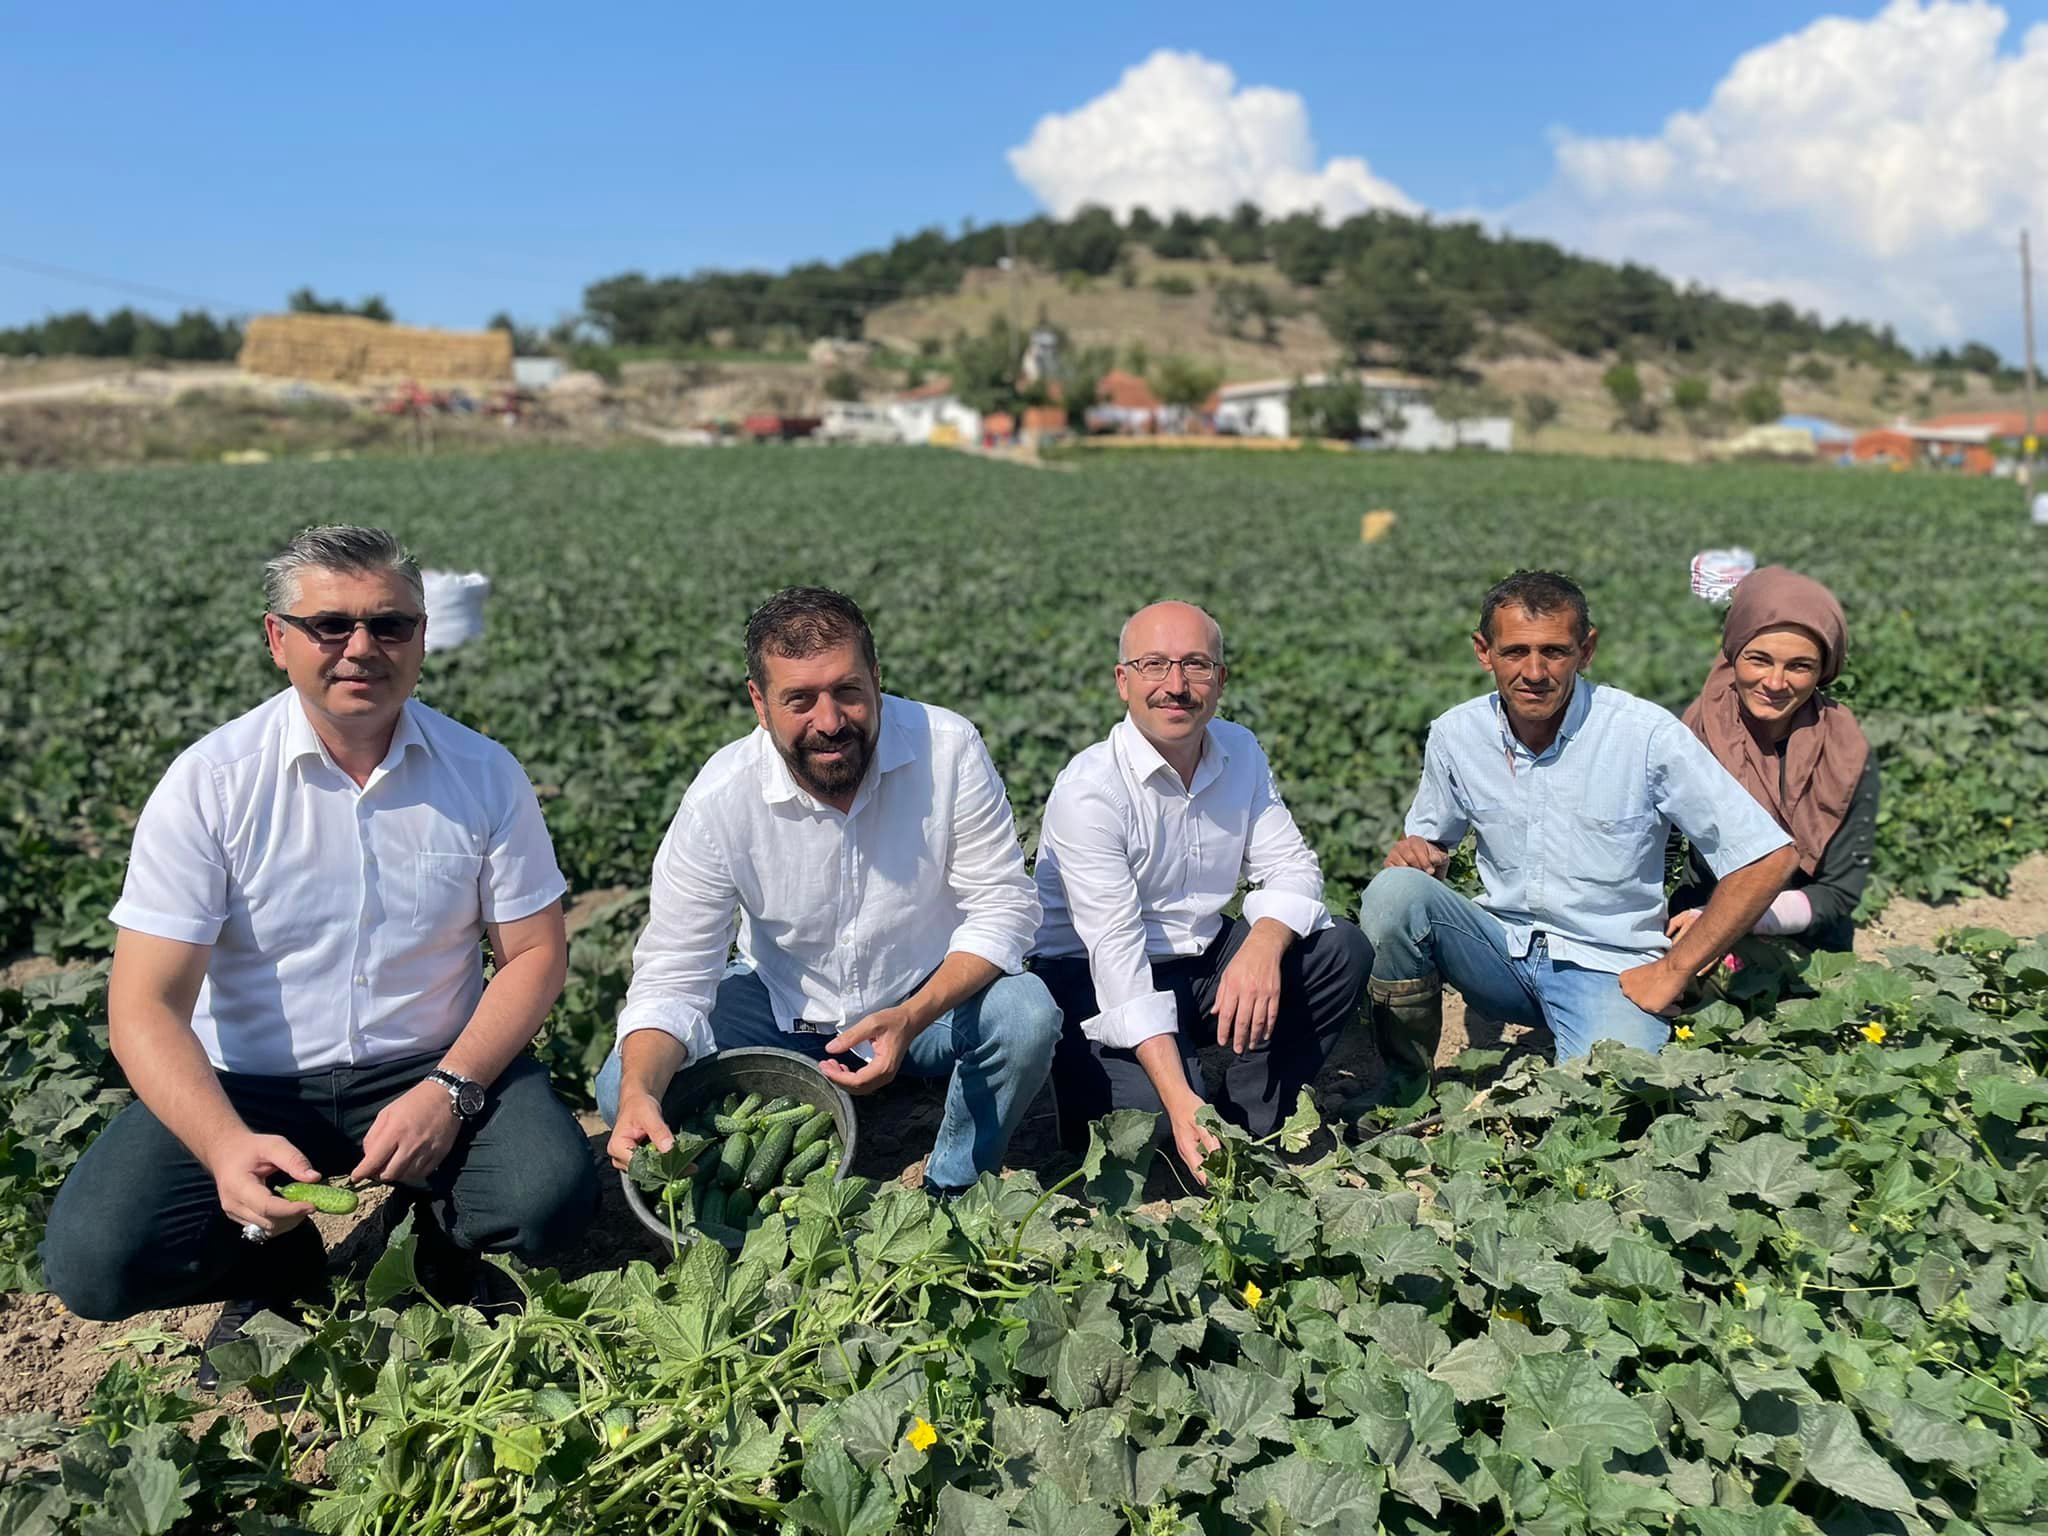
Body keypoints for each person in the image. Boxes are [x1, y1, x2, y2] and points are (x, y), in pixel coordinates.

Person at [40, 526, 598, 1380]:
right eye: (330, 626)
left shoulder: (483, 774)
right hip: (251, 1084)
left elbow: (534, 954)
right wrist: (226, 1145)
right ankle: (275, 1269)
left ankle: (430, 1240)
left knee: (549, 1201)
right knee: (95, 1261)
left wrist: (449, 1090)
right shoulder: (211, 783)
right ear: (278, 640)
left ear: (421, 635)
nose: (362, 649)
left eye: (391, 625)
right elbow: (144, 1004)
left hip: (432, 1067)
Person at [598, 587, 1060, 1196]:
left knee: (1024, 1016)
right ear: (759, 703)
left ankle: (953, 1192)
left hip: (925, 1008)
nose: (830, 721)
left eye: (847, 690)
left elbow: (1003, 905)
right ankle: (739, 1195)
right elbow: (673, 973)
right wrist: (638, 1094)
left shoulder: (946, 749)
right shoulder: (720, 799)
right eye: (799, 700)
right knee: (621, 1086)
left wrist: (910, 1016)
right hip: (780, 1007)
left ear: (876, 675)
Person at [1357, 570, 1800, 1090]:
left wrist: (1676, 969)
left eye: (1555, 652)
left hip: (1608, 968)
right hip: (1501, 952)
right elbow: (1432, 841)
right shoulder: (1457, 734)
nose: (1535, 671)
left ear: (1586, 650)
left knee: (1610, 1099)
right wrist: (1422, 853)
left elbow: (1769, 857)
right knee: (1394, 893)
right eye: (1515, 651)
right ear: (1484, 651)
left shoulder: (1645, 735)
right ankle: (1405, 1085)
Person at [1031, 602, 1370, 1178]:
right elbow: (1116, 957)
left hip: (1203, 958)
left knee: (1339, 948)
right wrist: (1180, 1101)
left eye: (1196, 665)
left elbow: (1293, 867)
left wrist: (1262, 945)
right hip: (1091, 976)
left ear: (1221, 680)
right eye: (1154, 665)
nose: (1176, 686)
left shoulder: (1239, 750)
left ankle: (1254, 1112)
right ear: (1123, 681)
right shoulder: (1090, 791)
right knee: (1152, 1131)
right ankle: (1118, 1091)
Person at [1668, 567, 1876, 953]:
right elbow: (1650, 859)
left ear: (1822, 672)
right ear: (1733, 655)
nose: (1776, 683)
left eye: (1800, 666)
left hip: (1807, 949)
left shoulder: (1846, 751)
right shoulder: (1682, 736)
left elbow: (1838, 892)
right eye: (1759, 660)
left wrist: (1733, 918)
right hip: (1687, 934)